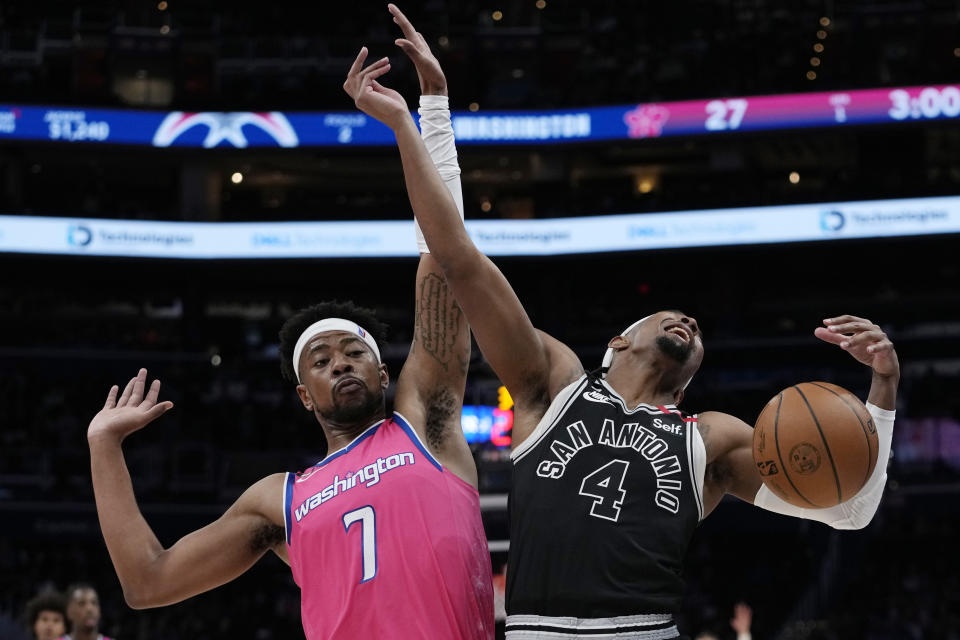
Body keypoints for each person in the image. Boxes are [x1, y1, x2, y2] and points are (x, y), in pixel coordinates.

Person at [344, 7, 899, 638]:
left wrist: (882, 388)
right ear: (617, 341)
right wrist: (427, 113)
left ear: (689, 378)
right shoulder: (552, 384)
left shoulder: (710, 438)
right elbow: (455, 258)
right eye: (668, 313)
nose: (686, 317)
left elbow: (850, 513)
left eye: (694, 325)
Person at [85, 42, 494, 636]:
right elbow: (149, 582)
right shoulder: (279, 500)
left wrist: (426, 115)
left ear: (386, 375)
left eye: (356, 354)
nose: (342, 365)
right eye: (322, 362)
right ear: (305, 395)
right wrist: (103, 448)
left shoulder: (423, 422)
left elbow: (447, 257)